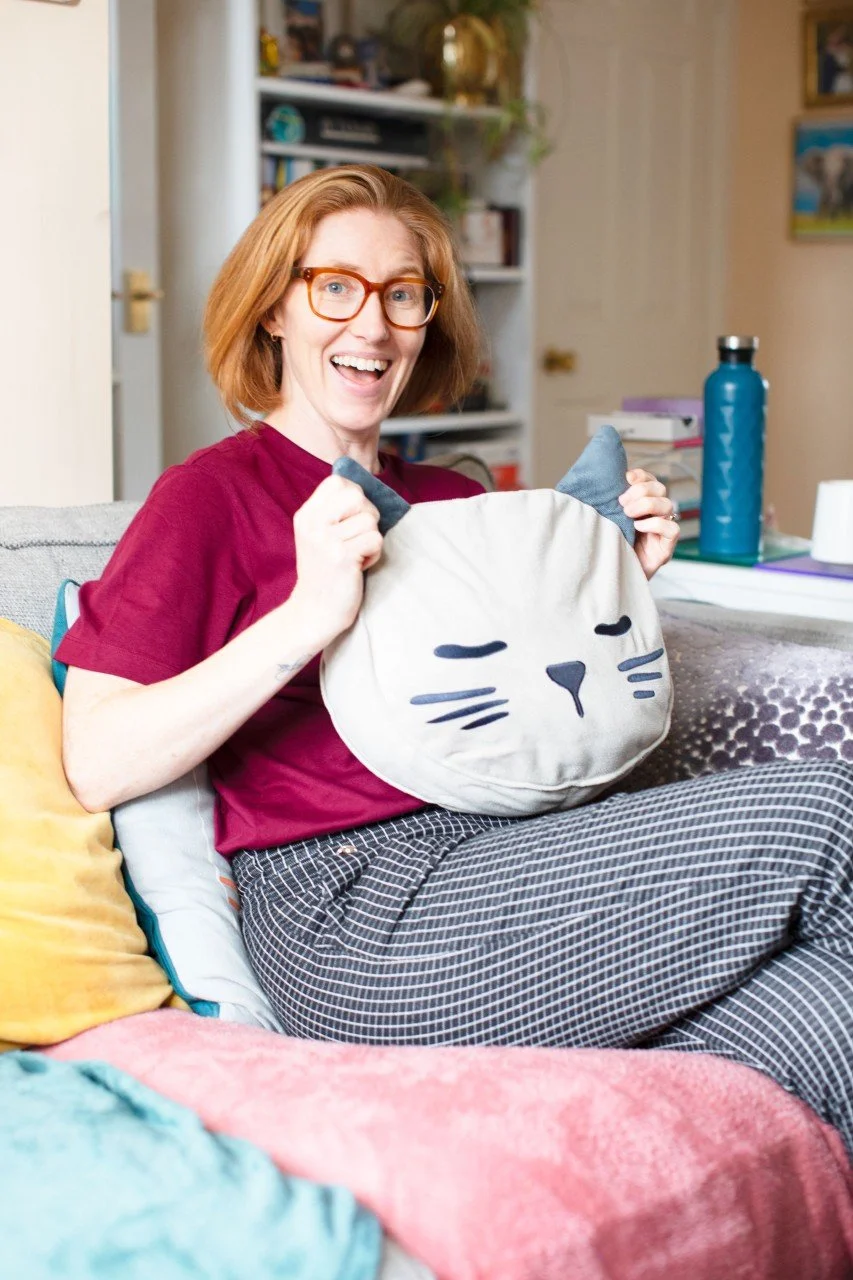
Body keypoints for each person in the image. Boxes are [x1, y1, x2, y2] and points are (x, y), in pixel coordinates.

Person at [58, 165, 853, 1158]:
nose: (374, 323)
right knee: (834, 811)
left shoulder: (453, 498)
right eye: (335, 286)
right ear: (273, 310)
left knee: (827, 1011)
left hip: (502, 857)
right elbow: (97, 756)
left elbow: (539, 706)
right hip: (349, 911)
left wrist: (620, 587)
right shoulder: (211, 497)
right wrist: (307, 613)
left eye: (404, 293)